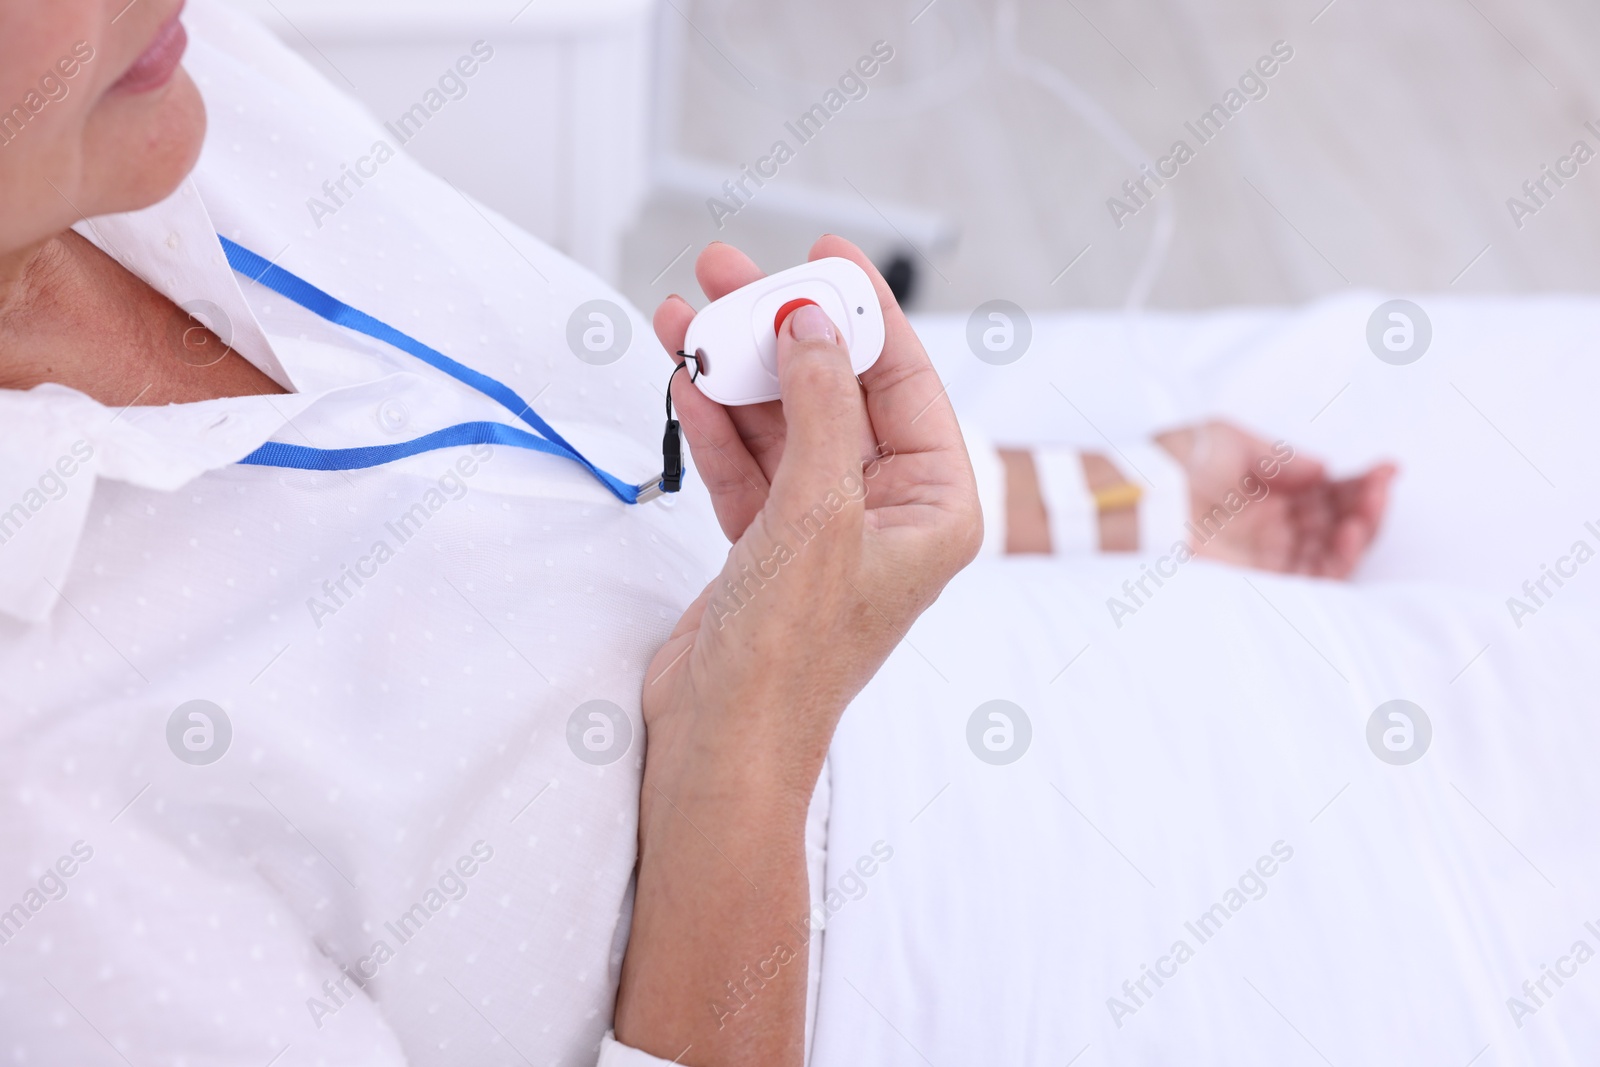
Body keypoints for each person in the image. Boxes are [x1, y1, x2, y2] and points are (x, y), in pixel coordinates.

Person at [0, 2, 1393, 1065]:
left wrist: (1098, 498)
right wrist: (750, 752)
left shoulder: (163, 93)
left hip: (1008, 702)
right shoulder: (39, 850)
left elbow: (597, 488)